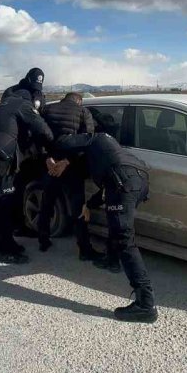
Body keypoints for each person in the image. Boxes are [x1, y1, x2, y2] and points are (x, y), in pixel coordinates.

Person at [48, 119, 156, 323]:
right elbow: (109, 189)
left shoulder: (94, 138)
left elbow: (64, 143)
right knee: (116, 223)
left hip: (122, 182)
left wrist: (51, 147)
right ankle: (112, 260)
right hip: (137, 180)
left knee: (125, 238)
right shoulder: (112, 148)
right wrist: (89, 204)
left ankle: (145, 304)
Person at [0, 89, 53, 264]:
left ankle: (9, 239)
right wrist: (52, 149)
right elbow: (44, 131)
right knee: (3, 205)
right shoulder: (23, 105)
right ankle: (4, 249)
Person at [36, 92, 98, 260]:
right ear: (79, 101)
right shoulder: (83, 112)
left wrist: (47, 159)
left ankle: (43, 241)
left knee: (47, 203)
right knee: (79, 208)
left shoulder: (46, 110)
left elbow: (37, 136)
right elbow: (88, 140)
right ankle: (84, 249)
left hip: (51, 165)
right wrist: (67, 161)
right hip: (72, 167)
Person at [1, 68, 47, 237]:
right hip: (12, 144)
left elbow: (41, 117)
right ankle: (14, 225)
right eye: (34, 84)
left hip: (30, 146)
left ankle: (21, 222)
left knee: (23, 184)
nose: (36, 88)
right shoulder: (12, 92)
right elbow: (7, 118)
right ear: (27, 79)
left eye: (39, 86)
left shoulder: (39, 94)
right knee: (12, 186)